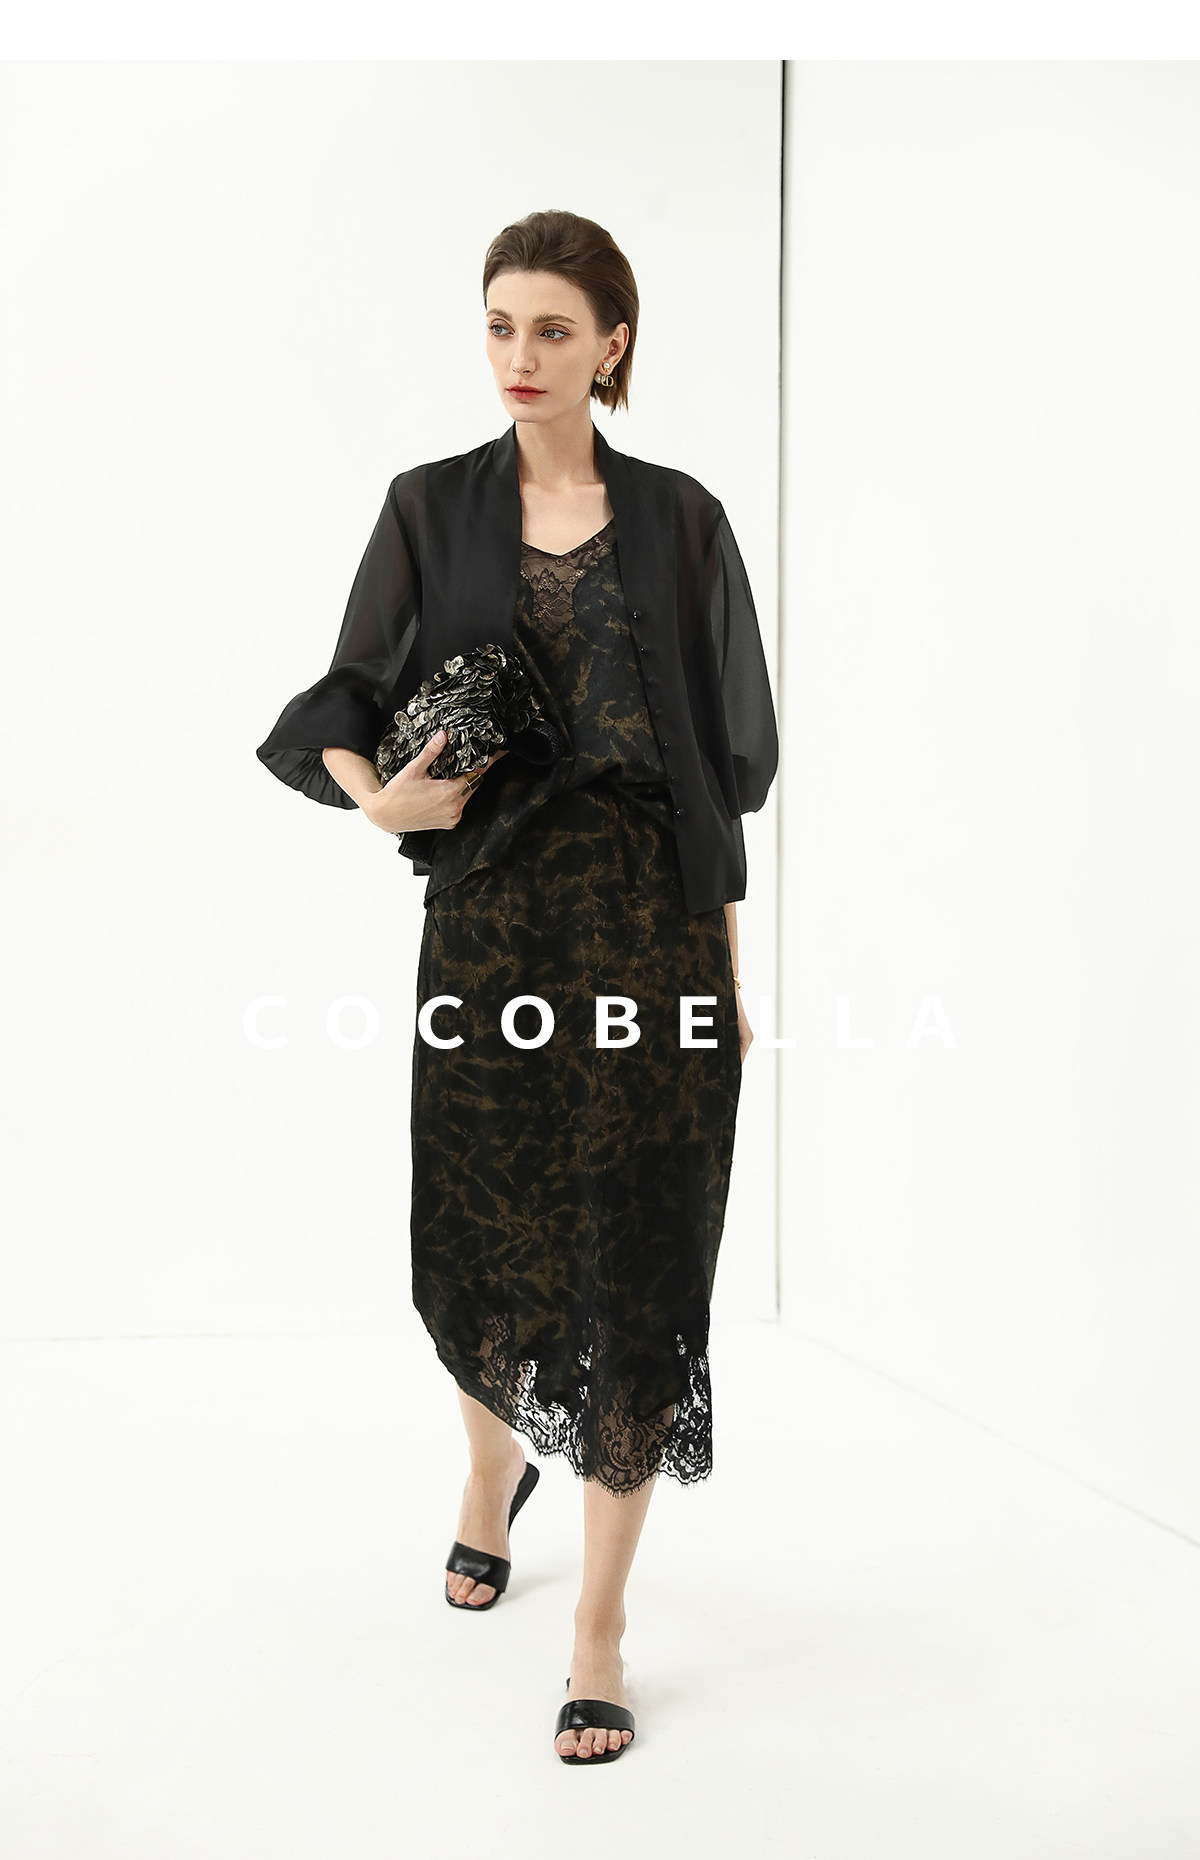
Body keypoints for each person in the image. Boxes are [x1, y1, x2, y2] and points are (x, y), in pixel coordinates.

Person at [255, 209, 779, 1764]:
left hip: (653, 935)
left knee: (641, 1267)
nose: (519, 357)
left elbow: (717, 774)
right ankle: (493, 1476)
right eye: (499, 325)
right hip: (489, 932)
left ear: (613, 342)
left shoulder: (681, 521)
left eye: (552, 329)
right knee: (485, 1244)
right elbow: (348, 692)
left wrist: (728, 970)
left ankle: (599, 1626)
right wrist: (377, 798)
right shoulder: (431, 507)